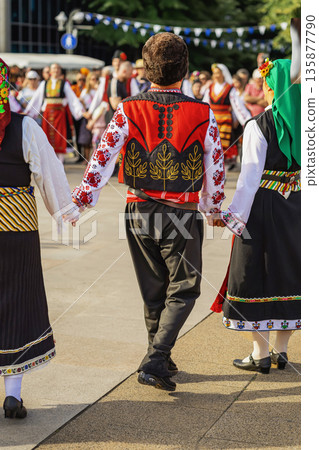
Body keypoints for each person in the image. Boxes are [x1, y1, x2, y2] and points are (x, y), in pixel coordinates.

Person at [72, 32, 225, 391]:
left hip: (137, 208)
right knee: (185, 287)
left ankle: (158, 355)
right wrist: (213, 205)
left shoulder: (127, 107)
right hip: (181, 213)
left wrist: (83, 196)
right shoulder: (203, 112)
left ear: (146, 70)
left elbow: (103, 155)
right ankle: (157, 358)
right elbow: (215, 163)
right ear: (185, 69)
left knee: (154, 287)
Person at [0, 59, 79, 419]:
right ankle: (12, 396)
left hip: (17, 228)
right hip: (16, 228)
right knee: (16, 302)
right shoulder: (25, 127)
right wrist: (65, 212)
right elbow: (49, 171)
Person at [211, 59, 301, 374]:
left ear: (272, 88)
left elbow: (249, 180)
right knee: (290, 272)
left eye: (266, 84)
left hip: (262, 208)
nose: (263, 90)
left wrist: (232, 218)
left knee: (255, 274)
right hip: (297, 208)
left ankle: (260, 353)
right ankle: (282, 351)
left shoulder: (257, 125)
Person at [24, 63, 84, 163]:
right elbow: (37, 99)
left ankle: (60, 161)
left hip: (59, 114)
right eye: (53, 68)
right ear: (50, 71)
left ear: (60, 70)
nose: (55, 70)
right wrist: (28, 111)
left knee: (60, 136)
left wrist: (80, 111)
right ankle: (48, 160)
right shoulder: (44, 83)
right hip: (48, 114)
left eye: (57, 68)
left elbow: (72, 98)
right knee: (47, 136)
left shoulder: (64, 84)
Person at [203, 64, 251, 166]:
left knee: (223, 147)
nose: (216, 75)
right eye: (214, 73)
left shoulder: (230, 88)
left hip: (225, 122)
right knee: (212, 147)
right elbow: (205, 104)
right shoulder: (210, 88)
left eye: (218, 73)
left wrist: (247, 121)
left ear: (223, 74)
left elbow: (238, 106)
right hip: (213, 121)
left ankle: (221, 173)